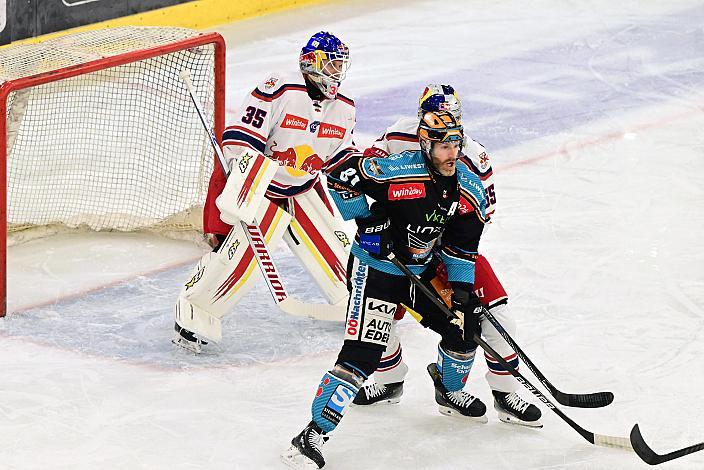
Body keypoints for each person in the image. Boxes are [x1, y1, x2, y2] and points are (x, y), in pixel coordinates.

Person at [283, 110, 491, 469]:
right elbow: (339, 172)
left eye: (455, 143)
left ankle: (449, 388)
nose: (451, 153)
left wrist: (461, 294)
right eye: (443, 145)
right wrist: (367, 219)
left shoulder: (469, 188)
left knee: (464, 326)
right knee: (363, 355)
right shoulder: (399, 170)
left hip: (419, 271)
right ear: (425, 143)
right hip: (376, 269)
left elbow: (461, 249)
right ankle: (312, 433)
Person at [352, 84, 541, 428]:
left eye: (454, 120)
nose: (449, 129)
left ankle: (503, 392)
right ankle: (390, 379)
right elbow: (361, 175)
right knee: (374, 319)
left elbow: (479, 216)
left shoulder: (475, 155)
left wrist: (444, 246)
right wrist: (378, 222)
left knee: (494, 319)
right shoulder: (396, 136)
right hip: (396, 249)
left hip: (447, 250)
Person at [172, 31, 356, 353]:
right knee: (239, 258)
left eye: (340, 66)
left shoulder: (345, 108)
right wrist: (243, 185)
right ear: (311, 63)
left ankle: (356, 304)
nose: (336, 74)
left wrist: (362, 174)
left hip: (303, 190)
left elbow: (342, 155)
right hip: (263, 190)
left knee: (341, 259)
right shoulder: (280, 88)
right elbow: (241, 138)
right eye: (331, 66)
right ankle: (196, 310)